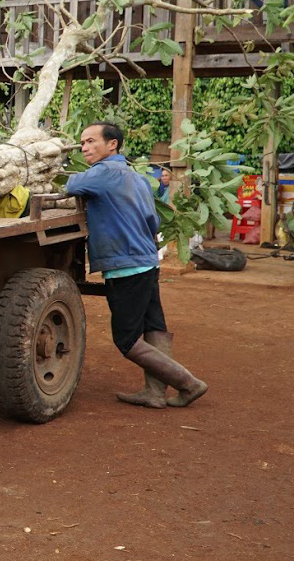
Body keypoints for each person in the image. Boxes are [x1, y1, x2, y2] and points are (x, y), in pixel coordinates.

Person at [66, 122, 207, 408]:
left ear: (112, 145)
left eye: (91, 141)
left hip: (125, 266)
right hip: (146, 261)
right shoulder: (139, 179)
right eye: (82, 143)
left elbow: (71, 185)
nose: (84, 148)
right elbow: (153, 221)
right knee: (153, 325)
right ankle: (154, 393)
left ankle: (188, 383)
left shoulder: (102, 173)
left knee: (126, 339)